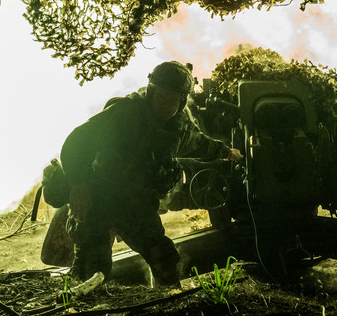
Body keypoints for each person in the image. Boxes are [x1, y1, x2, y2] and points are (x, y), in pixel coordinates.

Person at [59, 61, 243, 287]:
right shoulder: (123, 115)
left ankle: (169, 303)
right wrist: (79, 184)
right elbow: (76, 142)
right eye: (162, 98)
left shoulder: (178, 127)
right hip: (99, 200)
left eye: (173, 101)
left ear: (182, 101)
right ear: (152, 92)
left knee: (165, 259)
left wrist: (226, 153)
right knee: (92, 271)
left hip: (136, 206)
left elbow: (199, 144)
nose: (167, 106)